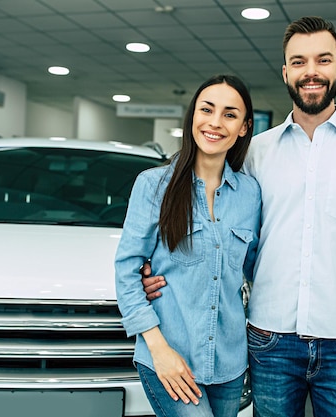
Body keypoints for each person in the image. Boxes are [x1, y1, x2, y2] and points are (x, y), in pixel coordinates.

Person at [141, 16, 336, 417]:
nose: (311, 71)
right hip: (270, 340)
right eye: (299, 62)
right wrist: (159, 267)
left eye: (323, 60)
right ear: (285, 72)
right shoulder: (254, 154)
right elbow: (217, 232)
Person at [115, 74, 261, 417]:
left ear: (243, 127)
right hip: (169, 356)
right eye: (206, 110)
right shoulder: (153, 185)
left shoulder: (250, 194)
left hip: (229, 363)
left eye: (229, 114)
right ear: (192, 116)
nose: (214, 122)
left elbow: (253, 269)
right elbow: (126, 268)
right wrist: (158, 349)